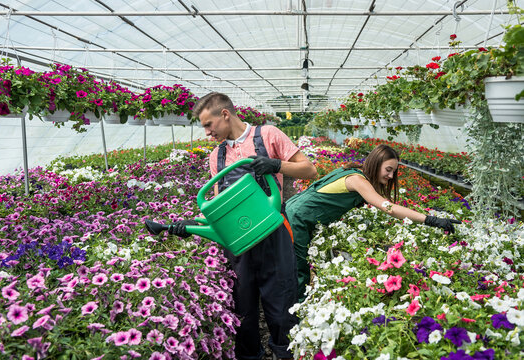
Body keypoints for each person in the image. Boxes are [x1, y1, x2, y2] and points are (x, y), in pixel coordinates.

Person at [168, 92, 318, 360]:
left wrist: (276, 164)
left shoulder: (268, 135)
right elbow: (218, 205)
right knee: (243, 307)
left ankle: (286, 353)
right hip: (237, 239)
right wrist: (192, 224)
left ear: (224, 115)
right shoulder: (217, 156)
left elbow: (310, 171)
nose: (206, 133)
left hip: (273, 232)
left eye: (208, 125)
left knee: (282, 302)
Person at [285, 144, 462, 302]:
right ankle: (294, 314)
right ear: (376, 164)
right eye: (388, 169)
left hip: (296, 213)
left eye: (394, 171)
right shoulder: (358, 180)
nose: (391, 175)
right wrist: (430, 220)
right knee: (299, 268)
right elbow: (388, 208)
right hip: (297, 218)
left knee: (298, 266)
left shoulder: (356, 173)